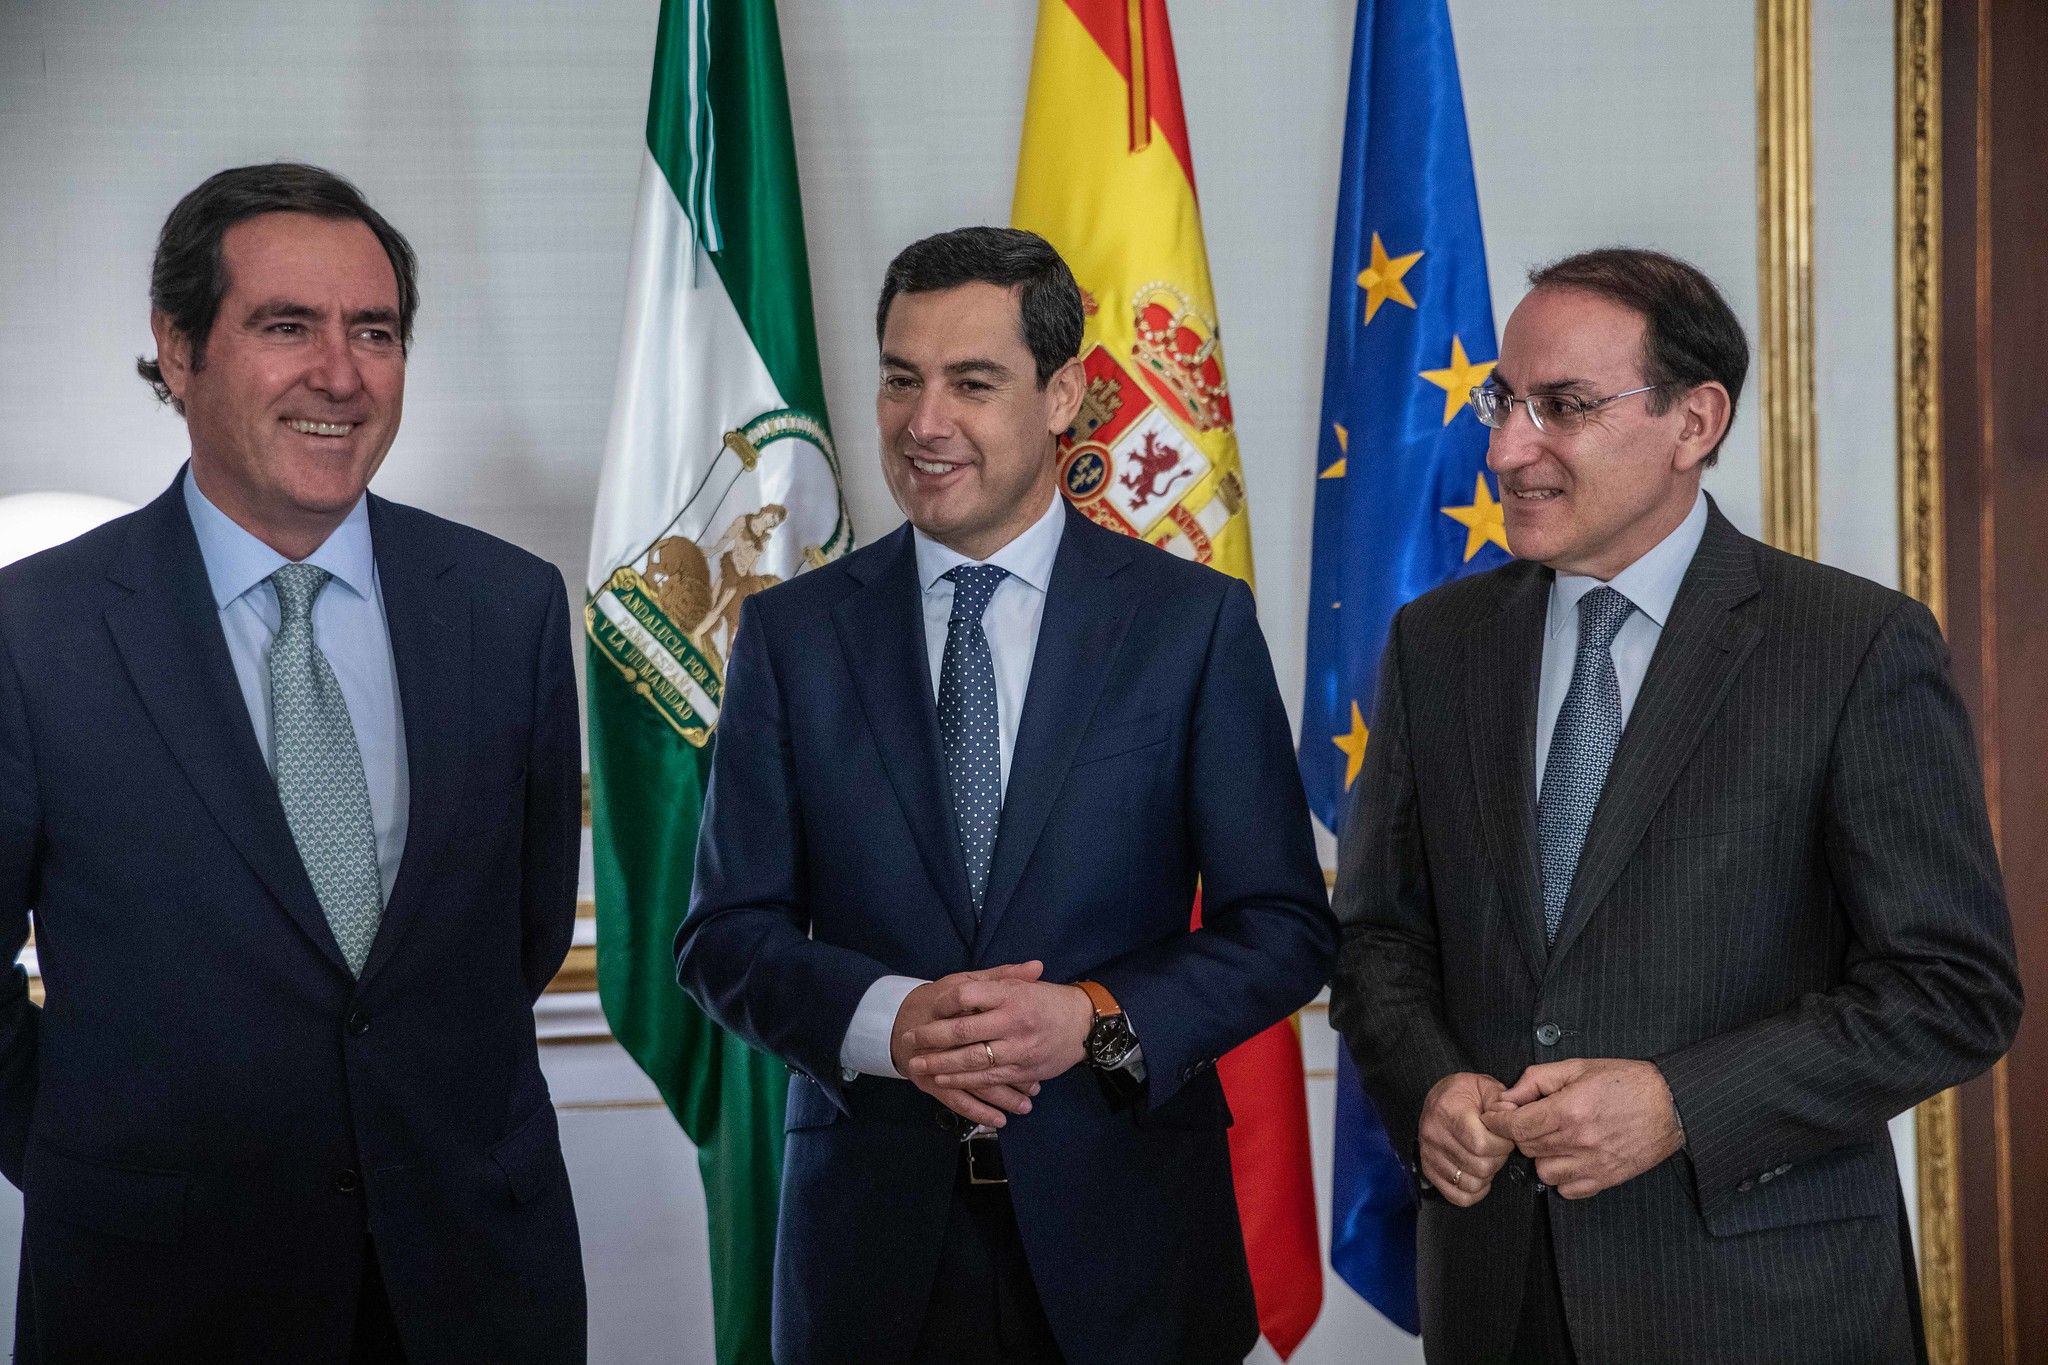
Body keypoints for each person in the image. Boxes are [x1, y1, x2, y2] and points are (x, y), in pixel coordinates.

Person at [1328, 246, 2021, 1363]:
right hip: (1496, 1299)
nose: (1507, 447)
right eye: (1503, 402)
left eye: (1560, 407)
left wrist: (1679, 1103)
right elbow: (1380, 936)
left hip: (1757, 1303)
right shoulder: (1437, 644)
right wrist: (1430, 1084)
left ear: (1693, 421)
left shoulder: (1849, 647)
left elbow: (1951, 990)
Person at [677, 226, 1334, 1364]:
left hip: (1131, 1247)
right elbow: (723, 939)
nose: (924, 422)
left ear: (1062, 393)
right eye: (899, 379)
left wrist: (1092, 1019)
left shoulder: (1189, 625)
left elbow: (1280, 927)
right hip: (870, 1261)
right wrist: (890, 1024)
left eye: (971, 384)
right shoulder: (791, 636)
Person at [0, 163, 585, 1362]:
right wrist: (92, 1151)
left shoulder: (507, 608)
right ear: (178, 348)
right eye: (286, 327)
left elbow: (512, 942)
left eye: (373, 331)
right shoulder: (35, 633)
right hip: (159, 1296)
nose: (340, 373)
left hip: (472, 1289)